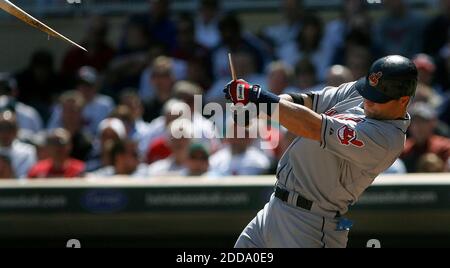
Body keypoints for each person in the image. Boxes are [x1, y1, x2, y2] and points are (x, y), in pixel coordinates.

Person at [224, 55, 418, 248]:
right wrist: (258, 107)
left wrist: (261, 98)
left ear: (403, 101)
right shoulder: (363, 93)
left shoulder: (386, 139)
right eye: (368, 91)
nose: (368, 99)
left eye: (377, 98)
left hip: (311, 224)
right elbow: (306, 101)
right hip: (274, 208)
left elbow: (312, 126)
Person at [0, 111, 36, 178]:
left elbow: (26, 178)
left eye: (9, 128)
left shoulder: (27, 152)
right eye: (1, 128)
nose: (5, 132)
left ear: (16, 130)